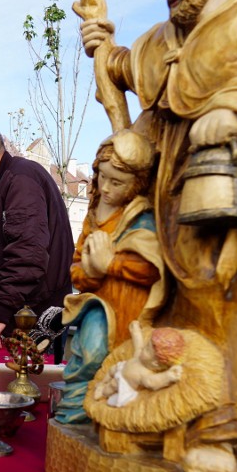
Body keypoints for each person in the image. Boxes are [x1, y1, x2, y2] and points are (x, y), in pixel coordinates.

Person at [80, 0, 237, 472]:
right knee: (178, 324)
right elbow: (129, 68)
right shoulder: (167, 35)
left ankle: (224, 434)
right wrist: (102, 44)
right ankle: (177, 423)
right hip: (178, 208)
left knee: (227, 309)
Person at [55, 130, 163, 423]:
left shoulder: (143, 217)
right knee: (86, 357)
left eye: (117, 182)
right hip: (98, 308)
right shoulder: (94, 213)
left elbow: (154, 268)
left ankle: (103, 418)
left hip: (131, 312)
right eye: (102, 176)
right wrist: (90, 272)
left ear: (138, 184)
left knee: (120, 369)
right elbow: (76, 267)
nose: (105, 187)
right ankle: (78, 413)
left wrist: (111, 264)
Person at [0, 116, 74, 351]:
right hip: (23, 316)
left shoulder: (21, 180)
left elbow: (27, 256)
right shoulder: (2, 186)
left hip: (37, 321)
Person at [94, 321, 184, 408]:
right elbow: (139, 345)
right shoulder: (140, 357)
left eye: (147, 350)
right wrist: (136, 331)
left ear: (155, 363)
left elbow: (151, 382)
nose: (144, 348)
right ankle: (102, 383)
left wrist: (168, 376)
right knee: (111, 370)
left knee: (112, 386)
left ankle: (102, 393)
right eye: (147, 345)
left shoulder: (146, 374)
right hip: (122, 367)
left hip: (122, 382)